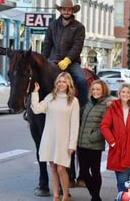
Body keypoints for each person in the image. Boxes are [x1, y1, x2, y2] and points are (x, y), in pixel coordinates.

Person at [43, 0, 88, 187]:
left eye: (69, 9)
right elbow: (47, 43)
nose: (66, 11)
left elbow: (77, 46)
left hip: (72, 62)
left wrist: (68, 60)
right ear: (60, 9)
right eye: (64, 9)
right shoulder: (53, 25)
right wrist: (45, 61)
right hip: (53, 61)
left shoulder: (78, 27)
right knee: (40, 81)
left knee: (81, 80)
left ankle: (85, 106)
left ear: (72, 10)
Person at [30, 72, 80, 201]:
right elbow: (36, 109)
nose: (61, 84)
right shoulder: (50, 97)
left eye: (64, 81)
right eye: (59, 81)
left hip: (64, 139)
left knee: (61, 168)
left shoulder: (73, 101)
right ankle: (56, 195)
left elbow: (75, 124)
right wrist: (35, 93)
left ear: (68, 84)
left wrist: (72, 144)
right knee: (52, 167)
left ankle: (65, 195)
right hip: (49, 137)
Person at [100, 83, 130, 193]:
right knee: (122, 182)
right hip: (117, 150)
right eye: (123, 92)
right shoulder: (113, 107)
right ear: (119, 93)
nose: (125, 94)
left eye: (128, 92)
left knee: (128, 183)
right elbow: (104, 126)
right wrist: (112, 142)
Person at [77, 80, 112, 201]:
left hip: (94, 145)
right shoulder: (89, 104)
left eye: (98, 89)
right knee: (84, 172)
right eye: (93, 89)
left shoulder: (107, 105)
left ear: (103, 91)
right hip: (81, 144)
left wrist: (92, 137)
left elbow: (106, 126)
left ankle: (95, 197)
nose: (95, 92)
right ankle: (95, 195)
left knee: (95, 171)